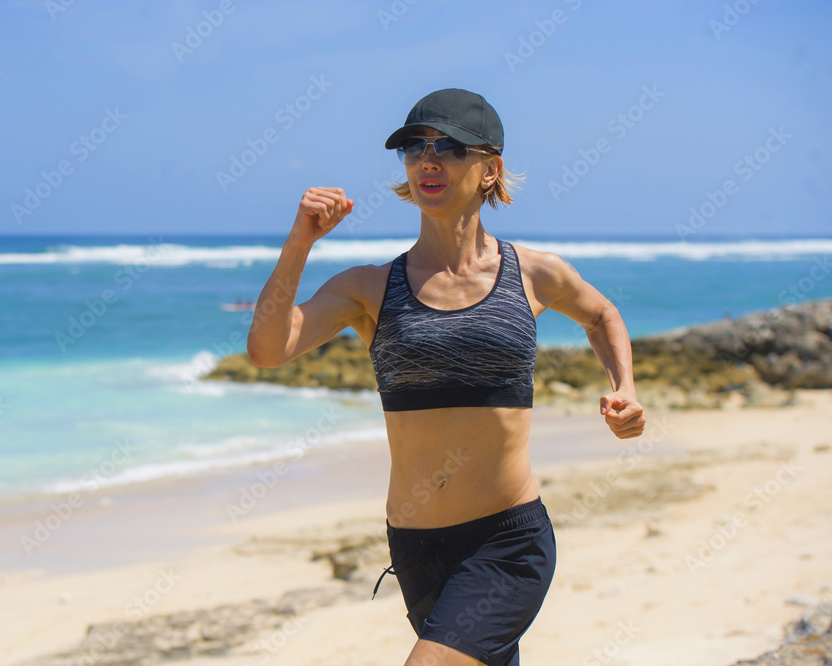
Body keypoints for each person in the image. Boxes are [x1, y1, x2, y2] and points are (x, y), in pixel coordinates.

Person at [246, 88, 645, 666]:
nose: (428, 159)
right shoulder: (370, 287)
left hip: (507, 541)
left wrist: (624, 388)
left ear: (491, 169)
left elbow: (602, 314)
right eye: (415, 147)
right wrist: (300, 242)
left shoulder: (532, 273)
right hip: (416, 547)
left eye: (450, 148)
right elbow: (266, 350)